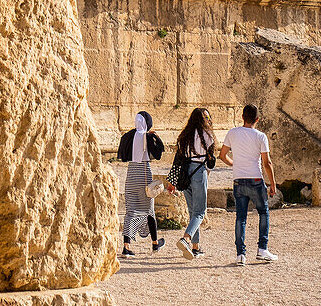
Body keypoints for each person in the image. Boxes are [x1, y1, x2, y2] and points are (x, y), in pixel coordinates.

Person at [219, 104, 278, 265]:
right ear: (257, 119)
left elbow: (222, 155)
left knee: (241, 217)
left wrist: (235, 164)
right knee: (263, 213)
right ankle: (262, 249)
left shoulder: (233, 133)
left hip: (238, 180)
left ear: (242, 117)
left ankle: (240, 255)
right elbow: (267, 162)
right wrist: (272, 184)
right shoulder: (261, 136)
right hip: (256, 179)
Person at [168, 107, 216, 260]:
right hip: (199, 171)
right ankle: (186, 238)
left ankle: (195, 247)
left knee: (192, 211)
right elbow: (211, 162)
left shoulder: (185, 136)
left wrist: (172, 181)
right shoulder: (207, 135)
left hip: (185, 173)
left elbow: (177, 159)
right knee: (200, 211)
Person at [117, 111, 166, 257]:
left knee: (131, 210)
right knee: (149, 210)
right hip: (144, 172)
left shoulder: (128, 136)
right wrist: (156, 137)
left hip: (131, 174)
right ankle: (155, 243)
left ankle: (126, 246)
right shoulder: (148, 136)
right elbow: (158, 154)